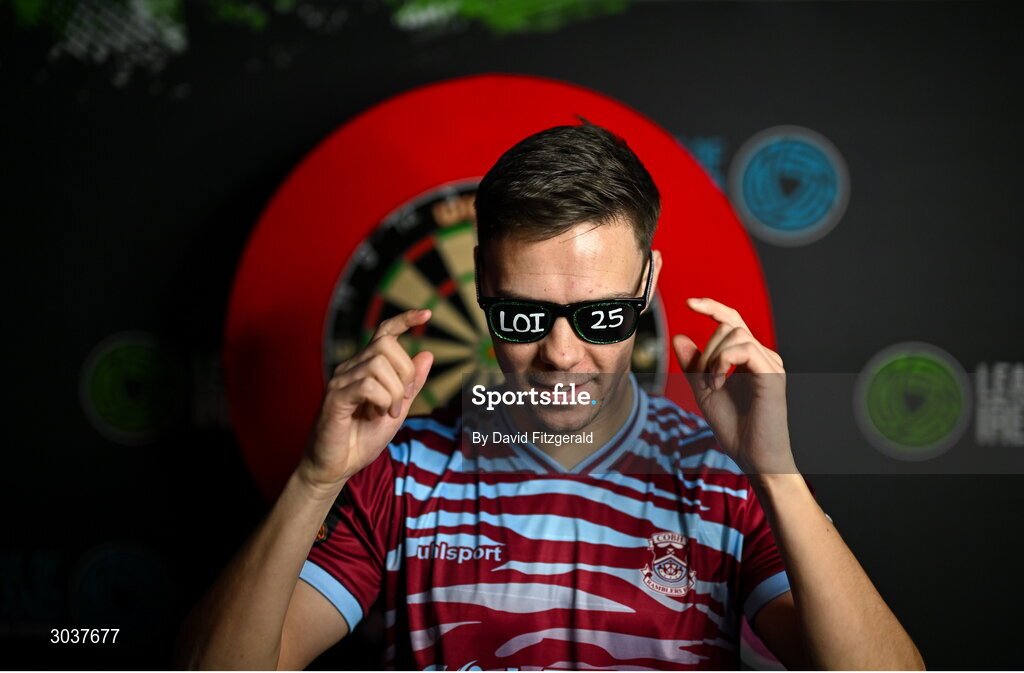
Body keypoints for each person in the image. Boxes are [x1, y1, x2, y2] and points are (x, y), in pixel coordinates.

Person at [177, 122, 924, 670]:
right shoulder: (402, 473)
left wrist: (778, 475)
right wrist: (314, 480)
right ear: (483, 284)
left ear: (647, 286)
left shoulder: (724, 477)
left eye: (600, 317)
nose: (562, 352)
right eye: (526, 317)